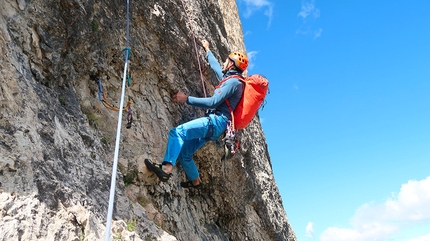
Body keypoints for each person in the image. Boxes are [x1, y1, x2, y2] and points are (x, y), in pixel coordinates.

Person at [145, 40, 248, 188]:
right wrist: (207, 50)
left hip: (215, 122)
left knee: (177, 133)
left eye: (226, 61)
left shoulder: (234, 83)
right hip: (217, 128)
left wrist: (186, 99)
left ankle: (166, 169)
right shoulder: (231, 79)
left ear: (232, 64)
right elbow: (216, 68)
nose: (224, 63)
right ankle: (196, 181)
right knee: (184, 154)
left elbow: (213, 102)